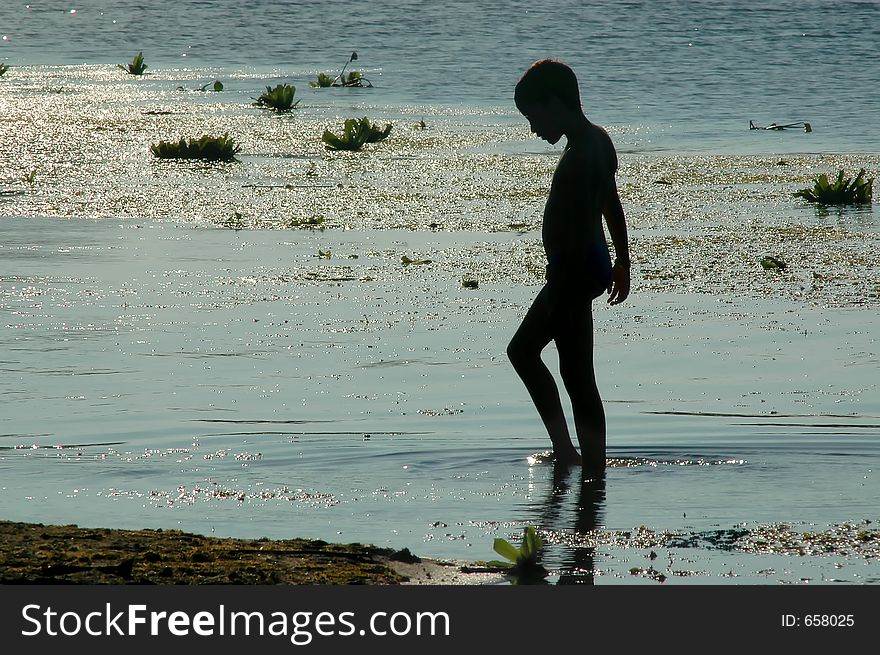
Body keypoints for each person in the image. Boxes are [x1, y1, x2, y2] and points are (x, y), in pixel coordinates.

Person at [507, 59, 630, 473]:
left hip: (573, 273)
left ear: (555, 103)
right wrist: (622, 260)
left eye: (534, 116)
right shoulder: (596, 140)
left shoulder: (580, 157)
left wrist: (561, 287)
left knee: (526, 353)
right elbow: (611, 203)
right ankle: (587, 464)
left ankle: (575, 456)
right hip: (587, 269)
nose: (533, 128)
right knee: (574, 372)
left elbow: (582, 225)